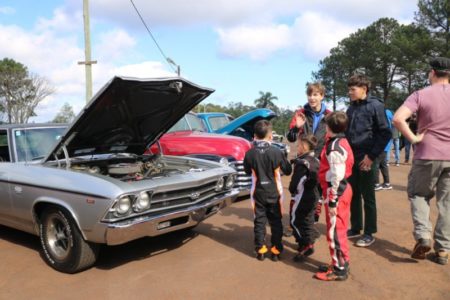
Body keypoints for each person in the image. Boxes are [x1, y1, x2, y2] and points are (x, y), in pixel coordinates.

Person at [393, 57, 450, 265]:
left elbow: (399, 118)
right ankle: (443, 250)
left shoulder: (421, 94)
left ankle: (423, 236)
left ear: (432, 73)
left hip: (427, 154)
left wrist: (414, 138)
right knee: (447, 204)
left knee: (419, 195)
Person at [345, 74, 392, 247]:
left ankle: (369, 232)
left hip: (367, 158)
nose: (350, 92)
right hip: (352, 158)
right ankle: (356, 227)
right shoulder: (351, 108)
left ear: (364, 89)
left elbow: (385, 133)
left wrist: (371, 157)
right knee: (353, 194)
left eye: (353, 89)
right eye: (349, 89)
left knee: (368, 197)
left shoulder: (375, 106)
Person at [243, 120, 292, 261]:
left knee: (259, 221)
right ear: (270, 136)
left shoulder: (249, 153)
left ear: (254, 136)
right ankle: (276, 251)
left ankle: (260, 250)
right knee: (276, 221)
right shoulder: (277, 152)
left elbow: (247, 171)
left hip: (257, 192)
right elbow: (288, 171)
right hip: (275, 193)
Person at [315, 112, 354, 281]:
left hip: (337, 192)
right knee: (339, 229)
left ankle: (339, 269)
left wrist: (332, 200)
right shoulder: (340, 142)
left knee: (334, 231)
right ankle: (341, 261)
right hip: (340, 191)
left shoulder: (334, 148)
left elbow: (337, 177)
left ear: (329, 127)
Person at [287, 82, 332, 223]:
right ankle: (293, 222)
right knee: (297, 191)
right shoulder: (301, 114)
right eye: (309, 95)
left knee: (317, 193)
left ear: (322, 96)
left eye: (315, 95)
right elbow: (291, 138)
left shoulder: (329, 116)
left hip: (321, 161)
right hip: (302, 160)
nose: (312, 98)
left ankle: (312, 220)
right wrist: (296, 128)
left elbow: (332, 138)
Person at [288, 135, 320, 261]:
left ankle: (308, 243)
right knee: (308, 219)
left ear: (304, 147)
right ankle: (304, 242)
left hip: (302, 197)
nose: (297, 147)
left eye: (299, 145)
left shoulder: (303, 163)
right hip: (314, 196)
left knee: (295, 221)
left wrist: (292, 190)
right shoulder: (316, 160)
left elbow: (295, 183)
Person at [374, 108, 393, 191]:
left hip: (380, 143)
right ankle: (387, 183)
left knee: (376, 165)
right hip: (386, 142)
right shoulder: (388, 112)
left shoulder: (378, 112)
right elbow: (393, 122)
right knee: (383, 164)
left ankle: (376, 184)